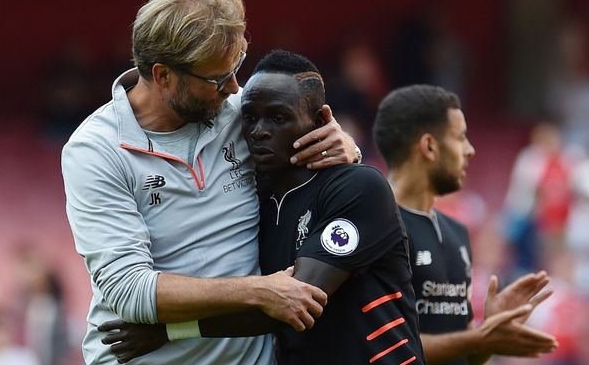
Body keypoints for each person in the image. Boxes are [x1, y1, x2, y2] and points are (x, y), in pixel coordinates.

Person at [61, 0, 359, 365]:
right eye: (218, 78)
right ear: (163, 76)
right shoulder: (95, 150)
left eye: (237, 68)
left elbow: (333, 186)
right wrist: (258, 291)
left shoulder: (243, 115)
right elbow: (131, 291)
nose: (235, 88)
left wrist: (346, 150)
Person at [99, 50, 425, 365]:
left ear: (321, 120)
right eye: (250, 118)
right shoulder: (255, 198)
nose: (259, 131)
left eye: (279, 118)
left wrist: (171, 331)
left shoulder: (357, 188)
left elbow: (294, 301)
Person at [372, 84, 559, 365]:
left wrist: (489, 333)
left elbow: (466, 357)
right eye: (460, 138)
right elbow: (390, 347)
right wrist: (483, 336)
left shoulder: (457, 233)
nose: (470, 150)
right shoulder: (377, 227)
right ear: (429, 146)